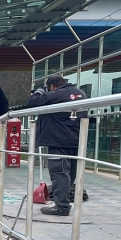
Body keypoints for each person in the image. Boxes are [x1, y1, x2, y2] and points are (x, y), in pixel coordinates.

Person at [28, 74, 87, 216]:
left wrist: (40, 91)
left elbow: (33, 102)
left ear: (52, 86)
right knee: (70, 174)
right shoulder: (81, 93)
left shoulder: (57, 94)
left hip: (58, 140)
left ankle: (62, 206)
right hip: (77, 141)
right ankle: (64, 202)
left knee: (59, 173)